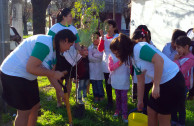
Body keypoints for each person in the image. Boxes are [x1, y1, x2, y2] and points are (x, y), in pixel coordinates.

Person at [0, 29, 77, 126]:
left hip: (27, 77)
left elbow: (50, 73)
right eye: (70, 45)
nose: (69, 49)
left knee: (35, 107)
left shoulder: (55, 51)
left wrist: (60, 91)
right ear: (65, 40)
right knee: (24, 112)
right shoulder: (45, 44)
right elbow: (30, 67)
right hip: (13, 74)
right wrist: (54, 74)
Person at [110, 33, 185, 126]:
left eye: (116, 53)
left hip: (173, 81)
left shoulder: (139, 48)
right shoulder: (133, 57)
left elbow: (159, 61)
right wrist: (140, 101)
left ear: (123, 49)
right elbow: (140, 80)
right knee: (151, 110)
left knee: (163, 117)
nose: (116, 56)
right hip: (162, 83)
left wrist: (156, 85)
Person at [48, 8, 82, 107]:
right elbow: (50, 43)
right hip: (58, 58)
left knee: (69, 80)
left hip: (70, 59)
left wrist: (81, 51)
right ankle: (59, 102)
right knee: (59, 80)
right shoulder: (55, 28)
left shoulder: (73, 29)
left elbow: (77, 44)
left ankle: (66, 100)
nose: (72, 17)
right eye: (70, 15)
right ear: (64, 17)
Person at [171, 36, 194, 126]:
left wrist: (176, 60)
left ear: (186, 47)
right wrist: (176, 60)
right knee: (173, 103)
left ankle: (181, 123)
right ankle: (174, 121)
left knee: (180, 105)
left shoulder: (191, 59)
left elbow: (180, 72)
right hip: (175, 84)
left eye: (179, 47)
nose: (177, 50)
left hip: (183, 86)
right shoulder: (180, 56)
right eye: (176, 47)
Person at [98, 19, 119, 109]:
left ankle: (119, 101)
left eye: (109, 25)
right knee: (107, 83)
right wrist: (102, 38)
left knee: (118, 82)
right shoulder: (103, 37)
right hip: (106, 62)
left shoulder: (118, 37)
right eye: (106, 25)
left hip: (117, 62)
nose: (107, 27)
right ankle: (110, 102)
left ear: (114, 27)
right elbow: (100, 49)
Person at [131, 29, 153, 114]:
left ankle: (146, 111)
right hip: (142, 76)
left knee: (146, 95)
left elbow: (158, 62)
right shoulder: (136, 50)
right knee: (142, 94)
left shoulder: (148, 47)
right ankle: (143, 110)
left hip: (150, 78)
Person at [108, 53, 130, 123]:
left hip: (124, 81)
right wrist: (119, 63)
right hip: (116, 80)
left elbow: (131, 66)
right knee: (118, 97)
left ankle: (124, 113)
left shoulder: (127, 56)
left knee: (124, 98)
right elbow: (111, 68)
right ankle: (118, 110)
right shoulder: (111, 56)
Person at [88, 32, 104, 102]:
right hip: (92, 69)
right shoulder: (90, 47)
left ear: (99, 38)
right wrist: (98, 57)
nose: (95, 39)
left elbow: (102, 57)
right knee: (94, 84)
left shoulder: (102, 47)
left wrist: (95, 55)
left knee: (100, 84)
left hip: (100, 68)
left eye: (97, 38)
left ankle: (101, 96)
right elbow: (90, 58)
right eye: (93, 38)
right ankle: (96, 96)